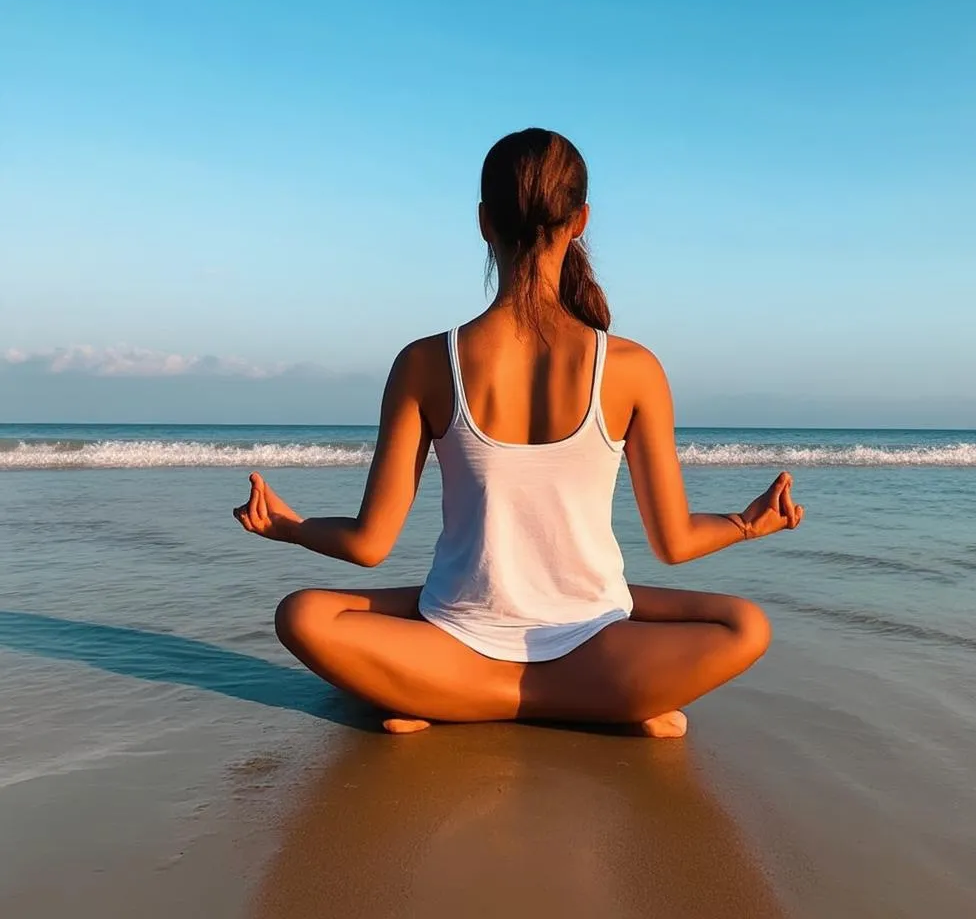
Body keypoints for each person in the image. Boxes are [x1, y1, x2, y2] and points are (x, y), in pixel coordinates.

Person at [234, 127, 803, 738]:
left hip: (454, 645)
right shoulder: (634, 368)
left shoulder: (426, 363)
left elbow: (369, 545)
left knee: (304, 614)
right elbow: (675, 544)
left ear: (483, 222)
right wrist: (747, 525)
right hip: (598, 656)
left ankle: (444, 695)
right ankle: (599, 704)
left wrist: (290, 529)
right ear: (581, 220)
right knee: (745, 626)